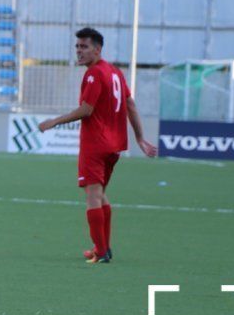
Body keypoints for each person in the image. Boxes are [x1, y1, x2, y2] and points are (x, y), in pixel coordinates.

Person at [38, 27, 157, 264]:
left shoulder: (93, 74)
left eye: (84, 47)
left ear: (98, 49)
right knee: (100, 195)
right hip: (114, 145)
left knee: (92, 195)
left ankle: (101, 251)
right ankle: (102, 246)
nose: (79, 51)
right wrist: (139, 138)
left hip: (96, 144)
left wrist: (54, 121)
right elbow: (130, 105)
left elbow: (86, 110)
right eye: (77, 47)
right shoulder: (114, 72)